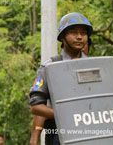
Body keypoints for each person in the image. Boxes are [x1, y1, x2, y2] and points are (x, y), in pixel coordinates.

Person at [29, 12, 93, 145]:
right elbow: (36, 106)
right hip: (59, 134)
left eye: (83, 33)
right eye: (74, 32)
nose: (79, 37)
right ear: (62, 37)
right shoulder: (49, 67)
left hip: (90, 133)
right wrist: (66, 115)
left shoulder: (94, 66)